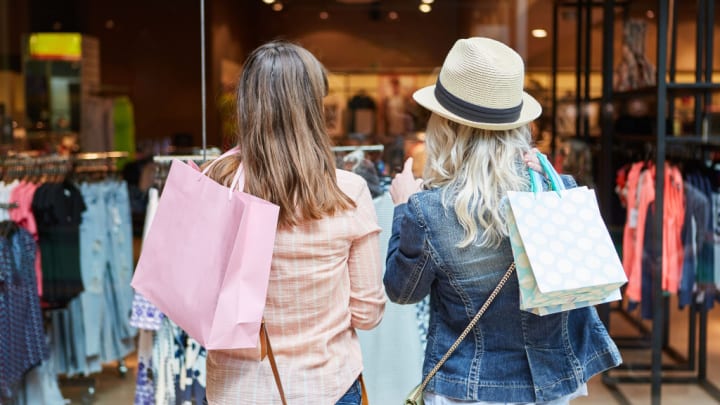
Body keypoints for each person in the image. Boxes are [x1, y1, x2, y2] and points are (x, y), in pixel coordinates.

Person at [383, 37, 622, 404]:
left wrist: (402, 208)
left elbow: (402, 292)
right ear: (516, 125)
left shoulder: (428, 210)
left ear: (445, 126)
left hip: (466, 387)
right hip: (549, 384)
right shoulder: (556, 192)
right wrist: (546, 177)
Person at [203, 40, 386, 404]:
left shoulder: (215, 184)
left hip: (237, 390)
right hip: (326, 384)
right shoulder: (348, 191)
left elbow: (195, 297)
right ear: (314, 108)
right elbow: (366, 314)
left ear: (246, 106)